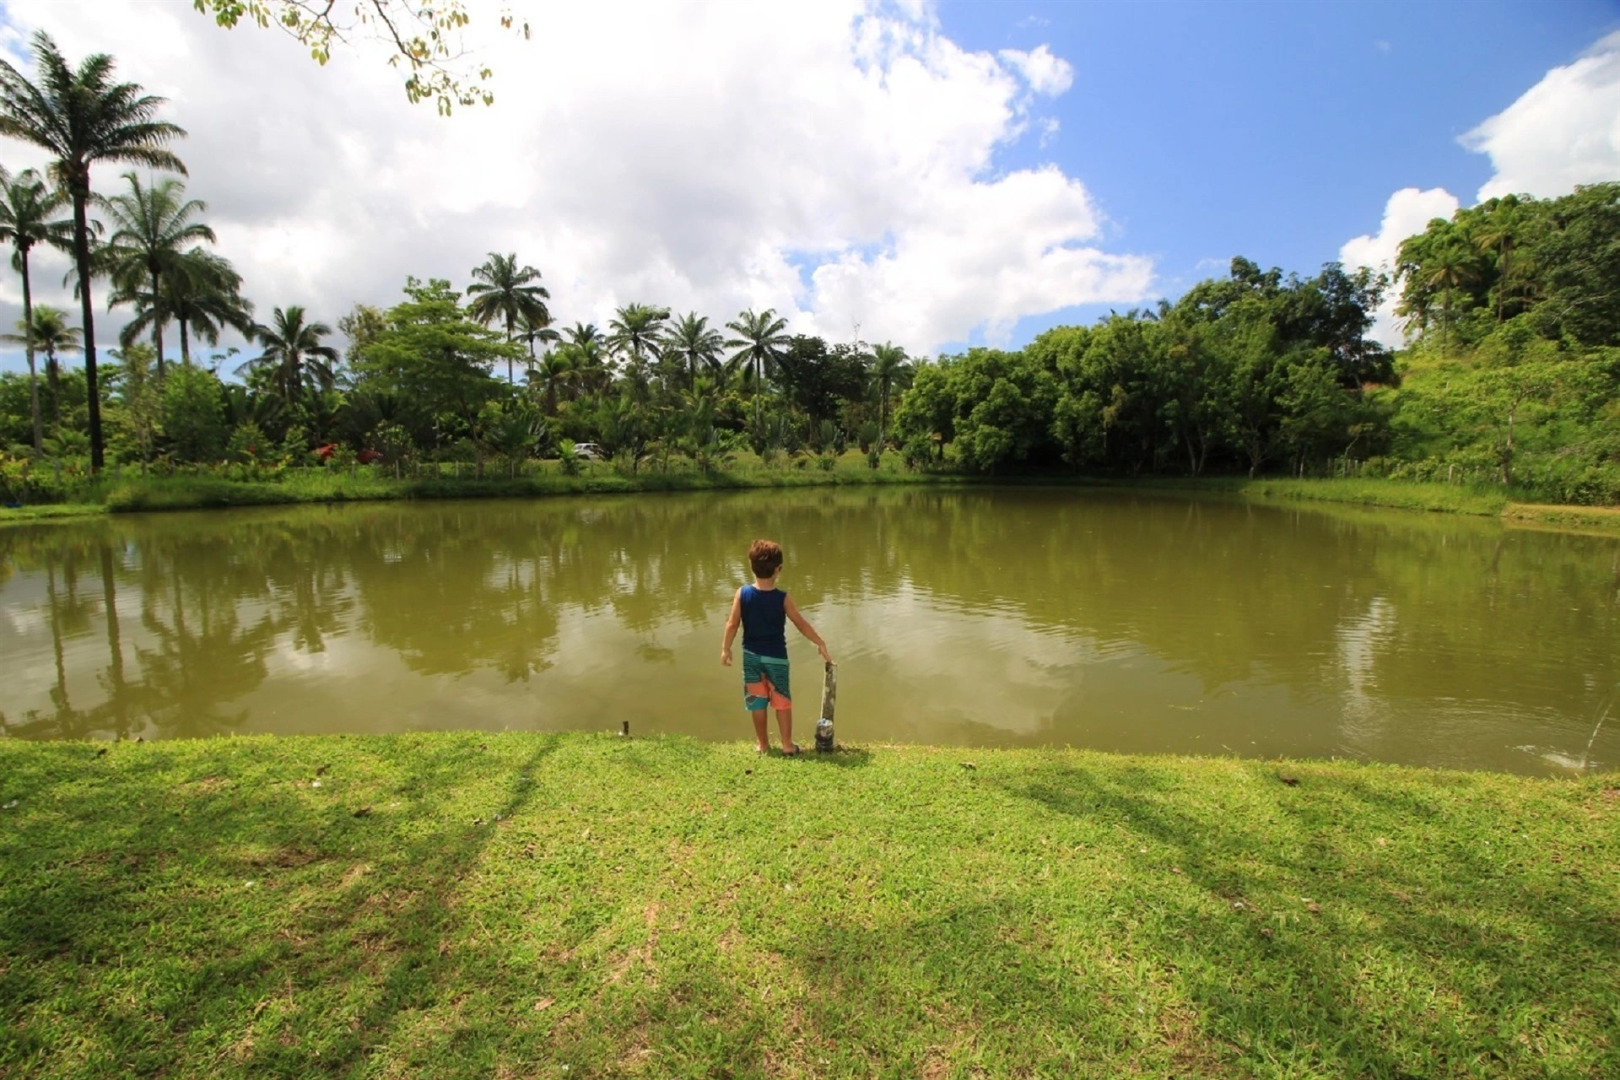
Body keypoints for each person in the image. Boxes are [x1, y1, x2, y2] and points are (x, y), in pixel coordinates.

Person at [720, 539, 833, 755]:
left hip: (751, 657)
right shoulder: (782, 598)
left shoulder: (742, 594)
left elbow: (732, 623)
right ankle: (787, 745)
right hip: (777, 659)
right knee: (782, 702)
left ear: (751, 566)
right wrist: (820, 642)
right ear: (778, 569)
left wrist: (726, 648)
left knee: (757, 703)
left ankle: (762, 745)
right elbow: (800, 624)